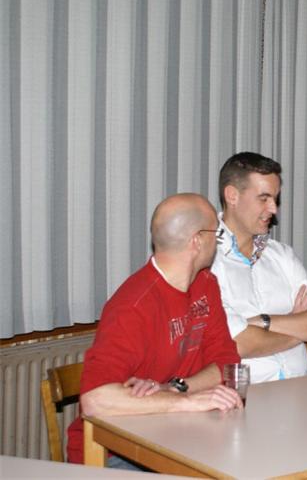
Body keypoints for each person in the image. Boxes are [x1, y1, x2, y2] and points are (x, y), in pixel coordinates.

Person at [67, 193, 242, 466]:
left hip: (181, 434)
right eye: (215, 234)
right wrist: (185, 403)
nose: (217, 242)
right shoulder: (133, 306)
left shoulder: (205, 284)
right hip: (116, 452)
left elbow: (226, 362)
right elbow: (95, 400)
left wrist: (174, 389)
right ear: (197, 241)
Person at [211, 152, 307, 383]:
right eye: (264, 198)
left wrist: (263, 322)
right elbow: (239, 343)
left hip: (301, 391)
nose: (273, 209)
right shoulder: (207, 261)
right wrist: (298, 327)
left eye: (275, 198)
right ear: (232, 196)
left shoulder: (282, 255)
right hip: (246, 397)